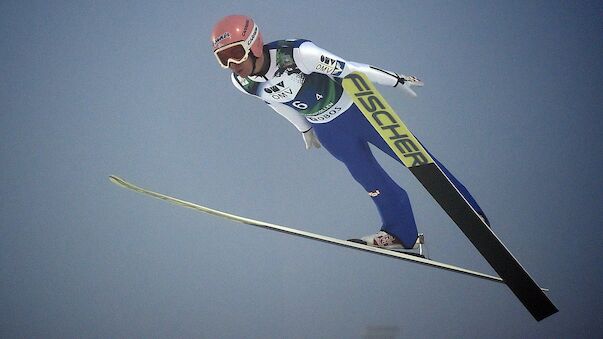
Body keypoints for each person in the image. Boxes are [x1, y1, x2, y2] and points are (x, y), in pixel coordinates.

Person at [210, 14, 488, 253]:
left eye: (235, 53)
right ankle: (401, 234)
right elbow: (276, 104)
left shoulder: (296, 54)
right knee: (368, 178)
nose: (231, 64)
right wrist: (304, 129)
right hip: (328, 129)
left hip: (360, 112)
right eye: (222, 59)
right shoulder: (242, 82)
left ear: (253, 44)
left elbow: (351, 69)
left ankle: (468, 209)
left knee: (416, 159)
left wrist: (394, 79)